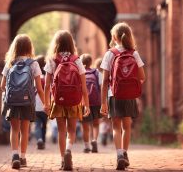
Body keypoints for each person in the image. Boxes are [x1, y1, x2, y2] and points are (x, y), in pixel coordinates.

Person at [100, 22, 145, 170]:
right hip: (130, 96)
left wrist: (104, 103)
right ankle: (125, 154)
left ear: (114, 37)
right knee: (127, 127)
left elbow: (105, 80)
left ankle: (119, 154)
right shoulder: (134, 53)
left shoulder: (110, 54)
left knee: (116, 127)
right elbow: (142, 77)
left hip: (114, 94)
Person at [44, 30, 90, 170]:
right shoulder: (77, 59)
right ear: (71, 43)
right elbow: (83, 85)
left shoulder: (52, 59)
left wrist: (46, 103)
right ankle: (69, 150)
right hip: (74, 100)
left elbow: (46, 85)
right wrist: (86, 104)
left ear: (56, 44)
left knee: (61, 131)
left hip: (58, 101)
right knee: (71, 130)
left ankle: (63, 159)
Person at [0, 34, 45, 169]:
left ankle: (14, 155)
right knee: (25, 130)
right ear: (29, 47)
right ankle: (23, 158)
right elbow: (39, 87)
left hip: (13, 101)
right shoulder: (34, 63)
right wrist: (45, 103)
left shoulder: (10, 63)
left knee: (14, 129)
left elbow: (2, 86)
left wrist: (11, 92)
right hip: (27, 101)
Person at [80, 54, 102, 153]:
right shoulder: (96, 72)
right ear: (91, 62)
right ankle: (94, 140)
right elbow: (101, 87)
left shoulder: (80, 73)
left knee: (85, 125)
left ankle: (86, 146)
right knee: (96, 124)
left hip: (84, 102)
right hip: (96, 101)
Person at [34, 55, 48, 150]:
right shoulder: (46, 77)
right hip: (44, 104)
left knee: (37, 124)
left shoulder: (34, 77)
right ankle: (43, 140)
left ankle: (39, 139)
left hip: (35, 105)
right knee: (44, 125)